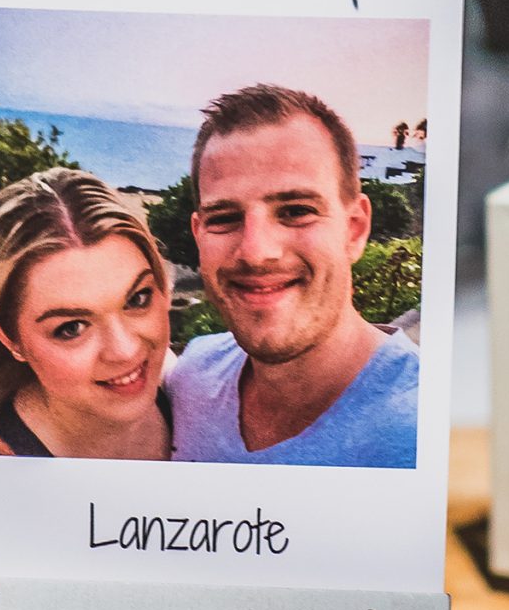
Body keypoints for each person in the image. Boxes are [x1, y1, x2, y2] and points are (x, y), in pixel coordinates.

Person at [169, 84, 418, 467]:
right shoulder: (192, 375)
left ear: (354, 229)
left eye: (296, 210)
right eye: (224, 218)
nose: (256, 252)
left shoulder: (419, 431)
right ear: (199, 233)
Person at [0, 168, 173, 460]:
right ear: (10, 339)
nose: (126, 351)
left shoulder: (181, 386)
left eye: (138, 299)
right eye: (72, 328)